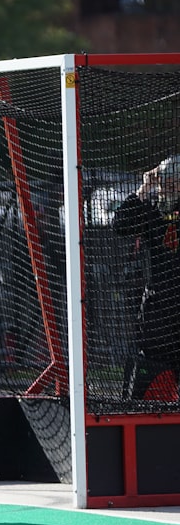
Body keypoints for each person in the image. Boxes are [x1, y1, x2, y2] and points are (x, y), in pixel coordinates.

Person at [112, 155, 180, 401]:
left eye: (171, 184)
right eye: (163, 183)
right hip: (159, 309)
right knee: (148, 370)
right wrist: (144, 188)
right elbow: (119, 225)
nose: (164, 190)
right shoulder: (153, 212)